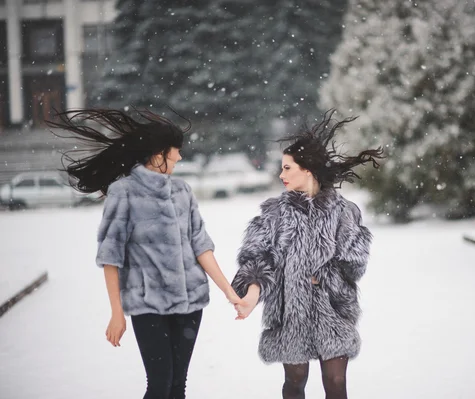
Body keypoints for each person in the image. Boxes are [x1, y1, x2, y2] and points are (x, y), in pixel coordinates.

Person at [48, 109, 244, 399]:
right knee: (160, 384)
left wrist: (228, 291)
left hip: (191, 304)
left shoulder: (183, 191)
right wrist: (117, 313)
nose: (179, 157)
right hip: (148, 304)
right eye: (175, 151)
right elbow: (110, 257)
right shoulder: (123, 192)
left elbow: (201, 245)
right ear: (157, 155)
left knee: (178, 385)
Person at [232, 109, 384, 399]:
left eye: (288, 168)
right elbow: (257, 259)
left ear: (308, 170)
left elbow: (355, 265)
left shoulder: (344, 211)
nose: (281, 174)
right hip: (291, 312)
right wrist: (252, 293)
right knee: (295, 380)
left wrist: (324, 276)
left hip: (332, 310)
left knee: (336, 382)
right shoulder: (274, 213)